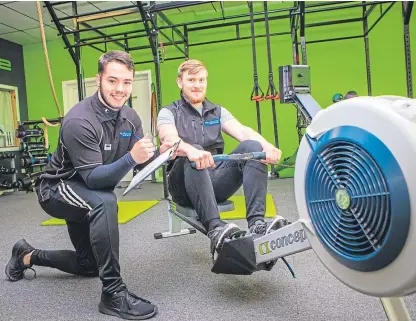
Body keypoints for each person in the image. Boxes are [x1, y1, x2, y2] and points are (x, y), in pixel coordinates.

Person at [5, 51, 172, 320]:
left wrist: (161, 154)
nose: (120, 89)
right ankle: (113, 294)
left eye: (127, 82)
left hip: (86, 190)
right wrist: (132, 157)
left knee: (89, 265)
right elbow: (94, 178)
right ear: (99, 80)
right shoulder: (79, 120)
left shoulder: (130, 117)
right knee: (105, 201)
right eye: (113, 81)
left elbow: (141, 163)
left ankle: (26, 255)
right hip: (57, 189)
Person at [157, 59, 289, 260]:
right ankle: (215, 229)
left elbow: (243, 131)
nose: (197, 85)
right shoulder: (169, 112)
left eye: (201, 80)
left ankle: (257, 225)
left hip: (214, 180)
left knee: (253, 147)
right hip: (183, 185)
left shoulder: (217, 111)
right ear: (179, 82)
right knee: (195, 150)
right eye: (191, 80)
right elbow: (169, 138)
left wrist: (268, 146)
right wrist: (190, 150)